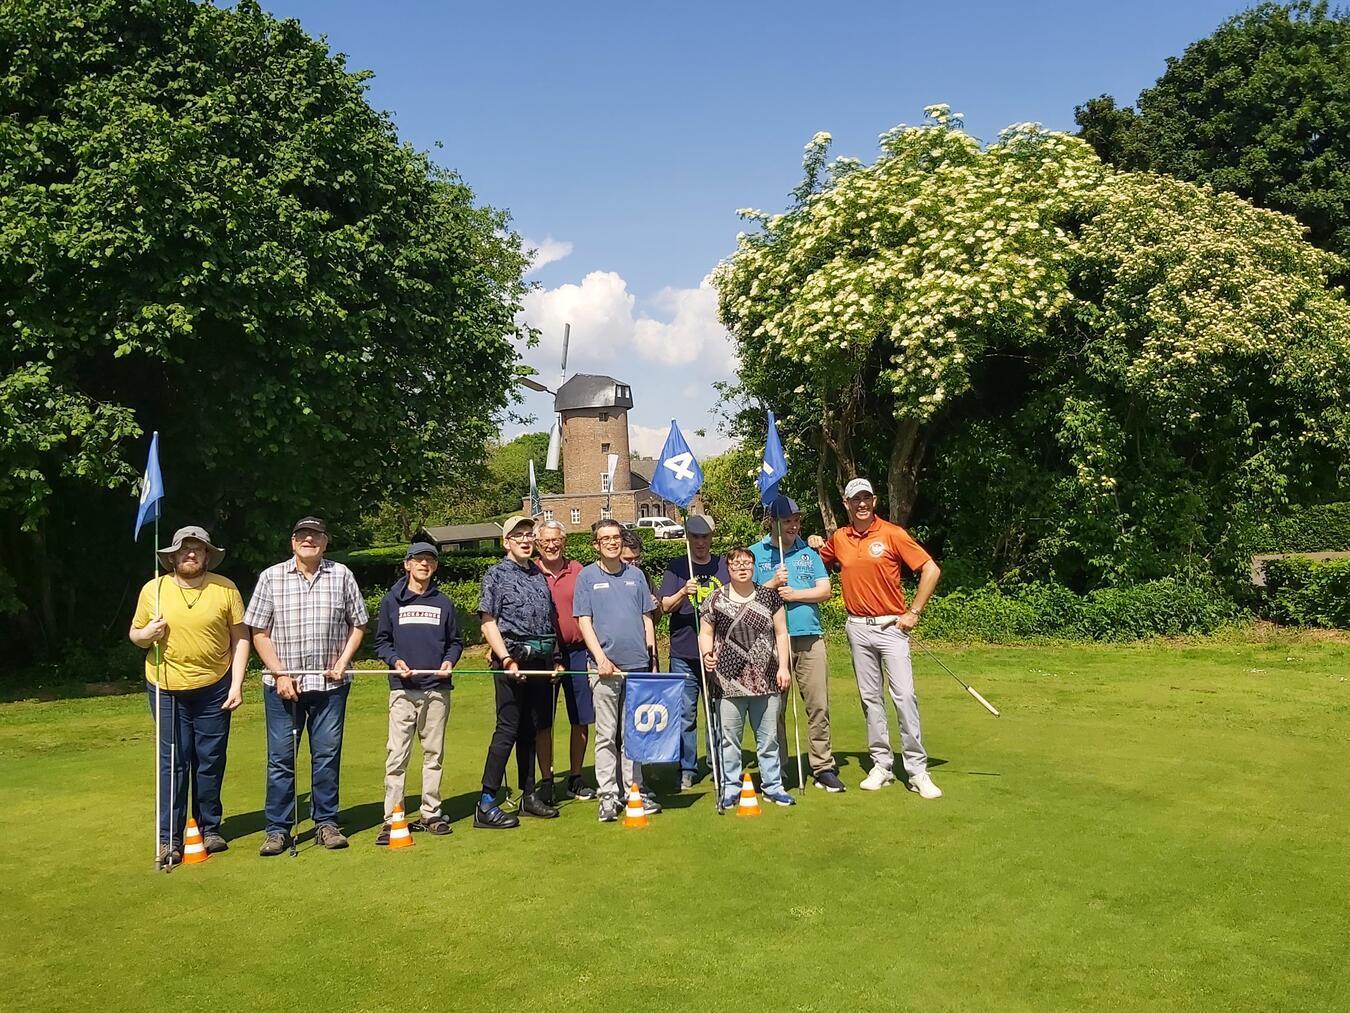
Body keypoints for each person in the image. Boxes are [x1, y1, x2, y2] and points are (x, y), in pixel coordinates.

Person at [807, 479, 943, 798]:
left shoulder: (892, 533)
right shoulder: (840, 538)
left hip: (892, 627)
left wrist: (915, 612)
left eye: (866, 498)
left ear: (874, 500)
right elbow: (813, 565)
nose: (862, 504)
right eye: (856, 499)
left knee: (904, 697)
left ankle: (917, 770)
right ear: (846, 503)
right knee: (871, 700)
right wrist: (811, 544)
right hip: (857, 627)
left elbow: (931, 569)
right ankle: (881, 765)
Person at [246, 517, 368, 854]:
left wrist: (343, 661)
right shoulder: (271, 577)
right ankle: (277, 829)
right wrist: (280, 673)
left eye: (315, 536)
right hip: (282, 686)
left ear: (325, 542)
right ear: (292, 542)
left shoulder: (342, 574)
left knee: (326, 756)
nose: (308, 540)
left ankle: (326, 823)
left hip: (331, 685)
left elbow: (358, 624)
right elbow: (258, 632)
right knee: (281, 759)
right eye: (302, 535)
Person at [129, 526, 249, 867]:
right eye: (185, 549)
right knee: (174, 761)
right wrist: (146, 634)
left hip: (214, 687)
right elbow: (135, 634)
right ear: (173, 557)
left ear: (208, 556)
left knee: (210, 759)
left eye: (198, 549)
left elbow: (241, 637)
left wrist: (237, 683)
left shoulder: (225, 588)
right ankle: (170, 837)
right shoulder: (154, 589)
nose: (191, 554)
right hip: (166, 686)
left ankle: (209, 827)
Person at [752, 497, 846, 793]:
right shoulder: (756, 554)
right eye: (787, 520)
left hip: (809, 636)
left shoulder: (809, 552)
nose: (793, 525)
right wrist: (772, 586)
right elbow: (748, 598)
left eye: (796, 520)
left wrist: (796, 595)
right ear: (773, 522)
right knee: (773, 709)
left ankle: (822, 766)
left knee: (818, 704)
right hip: (769, 640)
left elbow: (825, 590)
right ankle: (776, 770)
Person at [372, 541, 463, 843]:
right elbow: (382, 641)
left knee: (433, 754)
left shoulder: (444, 603)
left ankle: (431, 813)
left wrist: (449, 661)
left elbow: (455, 642)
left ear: (435, 567)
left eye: (430, 560)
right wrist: (394, 661)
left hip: (437, 690)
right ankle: (393, 817)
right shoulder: (391, 601)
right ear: (407, 564)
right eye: (419, 560)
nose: (424, 564)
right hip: (402, 690)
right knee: (396, 756)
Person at [475, 515, 562, 828]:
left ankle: (528, 796)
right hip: (512, 661)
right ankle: (486, 802)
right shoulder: (496, 574)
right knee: (508, 729)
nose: (525, 540)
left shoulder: (538, 574)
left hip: (539, 661)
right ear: (506, 542)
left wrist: (554, 658)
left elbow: (547, 621)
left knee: (531, 729)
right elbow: (488, 620)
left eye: (529, 534)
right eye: (518, 536)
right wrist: (505, 658)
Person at [574, 518, 660, 823]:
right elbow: (584, 621)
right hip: (604, 669)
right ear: (596, 544)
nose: (612, 542)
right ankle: (608, 796)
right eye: (605, 538)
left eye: (616, 537)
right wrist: (601, 659)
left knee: (633, 734)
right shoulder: (586, 577)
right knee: (607, 735)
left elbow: (646, 617)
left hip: (637, 665)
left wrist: (650, 655)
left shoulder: (636, 576)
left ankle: (633, 790)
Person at [698, 545, 794, 808]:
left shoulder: (769, 597)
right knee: (729, 739)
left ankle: (773, 786)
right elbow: (706, 633)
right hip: (726, 680)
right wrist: (707, 654)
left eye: (747, 563)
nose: (742, 567)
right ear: (728, 568)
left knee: (769, 738)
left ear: (754, 567)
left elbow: (781, 633)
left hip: (767, 677)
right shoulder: (715, 599)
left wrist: (784, 667)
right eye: (736, 564)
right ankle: (730, 788)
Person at [658, 514, 728, 789]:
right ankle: (687, 767)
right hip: (683, 651)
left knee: (718, 711)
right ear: (688, 538)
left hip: (718, 653)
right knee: (686, 714)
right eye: (695, 537)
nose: (700, 542)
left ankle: (719, 764)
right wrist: (682, 593)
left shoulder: (722, 565)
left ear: (711, 537)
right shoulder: (677, 567)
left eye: (705, 536)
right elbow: (664, 607)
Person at [534, 519, 596, 802]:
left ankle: (575, 776)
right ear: (538, 544)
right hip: (543, 654)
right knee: (543, 719)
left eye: (556, 540)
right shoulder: (530, 572)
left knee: (580, 717)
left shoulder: (579, 571)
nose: (551, 545)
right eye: (545, 541)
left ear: (564, 541)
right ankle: (546, 779)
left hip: (577, 652)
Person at [620, 527, 660, 669]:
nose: (634, 564)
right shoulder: (608, 578)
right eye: (628, 559)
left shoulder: (644, 576)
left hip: (644, 648)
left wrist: (655, 606)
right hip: (619, 651)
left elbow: (656, 618)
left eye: (637, 559)